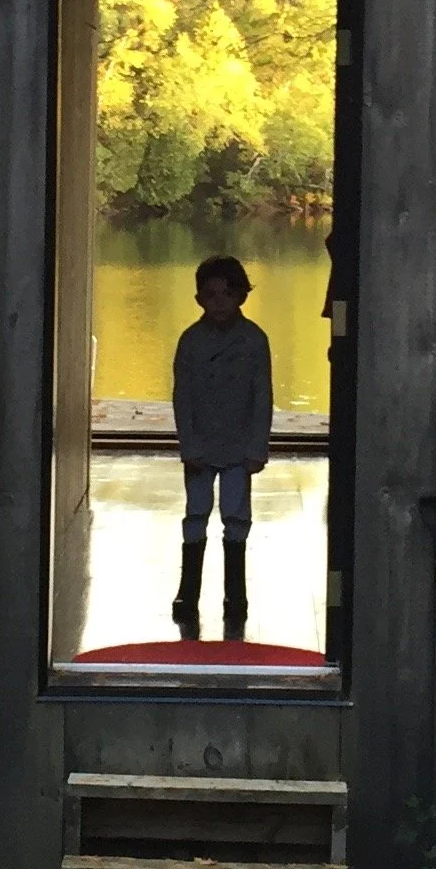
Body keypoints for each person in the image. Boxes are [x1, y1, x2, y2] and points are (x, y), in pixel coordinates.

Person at [170, 253, 272, 643]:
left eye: (228, 294)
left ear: (242, 296)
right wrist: (188, 443)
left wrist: (257, 447)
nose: (219, 302)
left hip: (238, 449)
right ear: (198, 298)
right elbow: (182, 397)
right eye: (211, 295)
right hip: (200, 446)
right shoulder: (190, 341)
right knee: (195, 514)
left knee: (237, 518)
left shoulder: (255, 341)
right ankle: (187, 594)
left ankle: (236, 597)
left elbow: (263, 397)